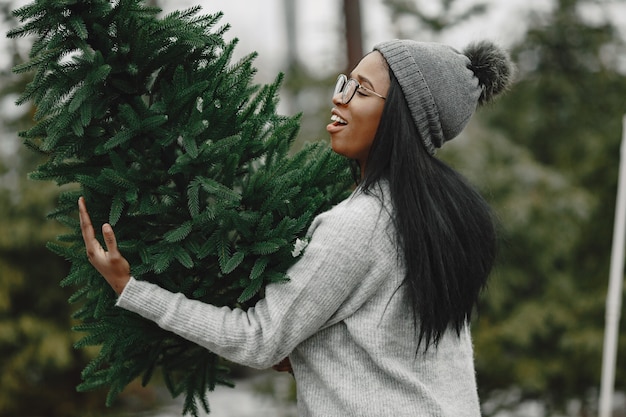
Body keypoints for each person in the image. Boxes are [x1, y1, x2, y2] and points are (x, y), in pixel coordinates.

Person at [79, 38, 514, 416]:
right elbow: (386, 342)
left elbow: (258, 339)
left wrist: (132, 288)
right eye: (344, 83)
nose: (339, 99)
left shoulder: (360, 223)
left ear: (403, 118)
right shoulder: (440, 218)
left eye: (360, 91)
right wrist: (307, 349)